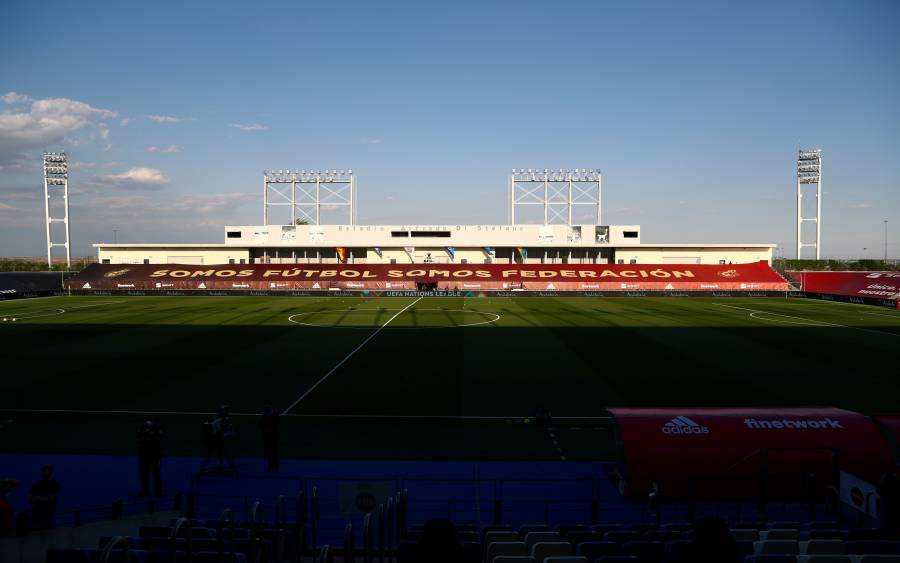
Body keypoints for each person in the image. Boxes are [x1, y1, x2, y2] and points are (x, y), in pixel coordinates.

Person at [200, 405, 238, 476]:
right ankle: (220, 463)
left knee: (220, 449)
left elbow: (228, 427)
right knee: (219, 449)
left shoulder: (223, 418)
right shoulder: (218, 418)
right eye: (224, 411)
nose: (226, 413)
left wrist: (227, 432)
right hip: (216, 438)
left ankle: (220, 462)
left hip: (218, 438)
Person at [137, 420, 163, 497]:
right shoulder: (143, 429)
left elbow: (157, 440)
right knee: (144, 474)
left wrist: (145, 438)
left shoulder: (157, 430)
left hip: (154, 456)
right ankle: (145, 491)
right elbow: (139, 439)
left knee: (156, 474)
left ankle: (158, 492)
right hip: (145, 456)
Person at [28, 465, 59, 530]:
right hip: (36, 513)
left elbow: (50, 499)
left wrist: (37, 498)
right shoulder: (35, 484)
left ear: (51, 472)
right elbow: (30, 499)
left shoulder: (54, 484)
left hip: (48, 513)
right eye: (44, 470)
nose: (45, 472)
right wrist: (43, 498)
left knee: (46, 530)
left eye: (47, 470)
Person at [260, 404, 280, 472]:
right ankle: (271, 465)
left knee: (274, 451)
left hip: (273, 437)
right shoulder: (265, 415)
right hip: (267, 437)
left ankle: (275, 466)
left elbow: (274, 425)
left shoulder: (274, 415)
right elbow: (262, 425)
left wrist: (267, 430)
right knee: (269, 452)